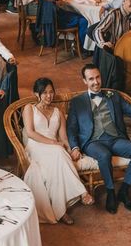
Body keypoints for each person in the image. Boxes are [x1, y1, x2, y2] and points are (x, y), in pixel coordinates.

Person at [67, 65, 131, 213]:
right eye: (91, 79)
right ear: (84, 81)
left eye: (98, 77)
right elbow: (71, 128)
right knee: (104, 155)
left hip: (115, 138)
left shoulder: (113, 96)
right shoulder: (77, 102)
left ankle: (124, 190)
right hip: (92, 142)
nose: (96, 82)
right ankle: (110, 192)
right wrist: (75, 147)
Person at [23, 78, 94, 224]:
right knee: (58, 152)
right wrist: (54, 143)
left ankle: (60, 211)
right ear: (37, 94)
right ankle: (82, 192)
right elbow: (30, 132)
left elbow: (64, 138)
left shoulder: (58, 112)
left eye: (51, 92)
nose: (49, 96)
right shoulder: (29, 108)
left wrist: (72, 149)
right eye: (44, 93)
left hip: (55, 149)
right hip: (36, 145)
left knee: (58, 159)